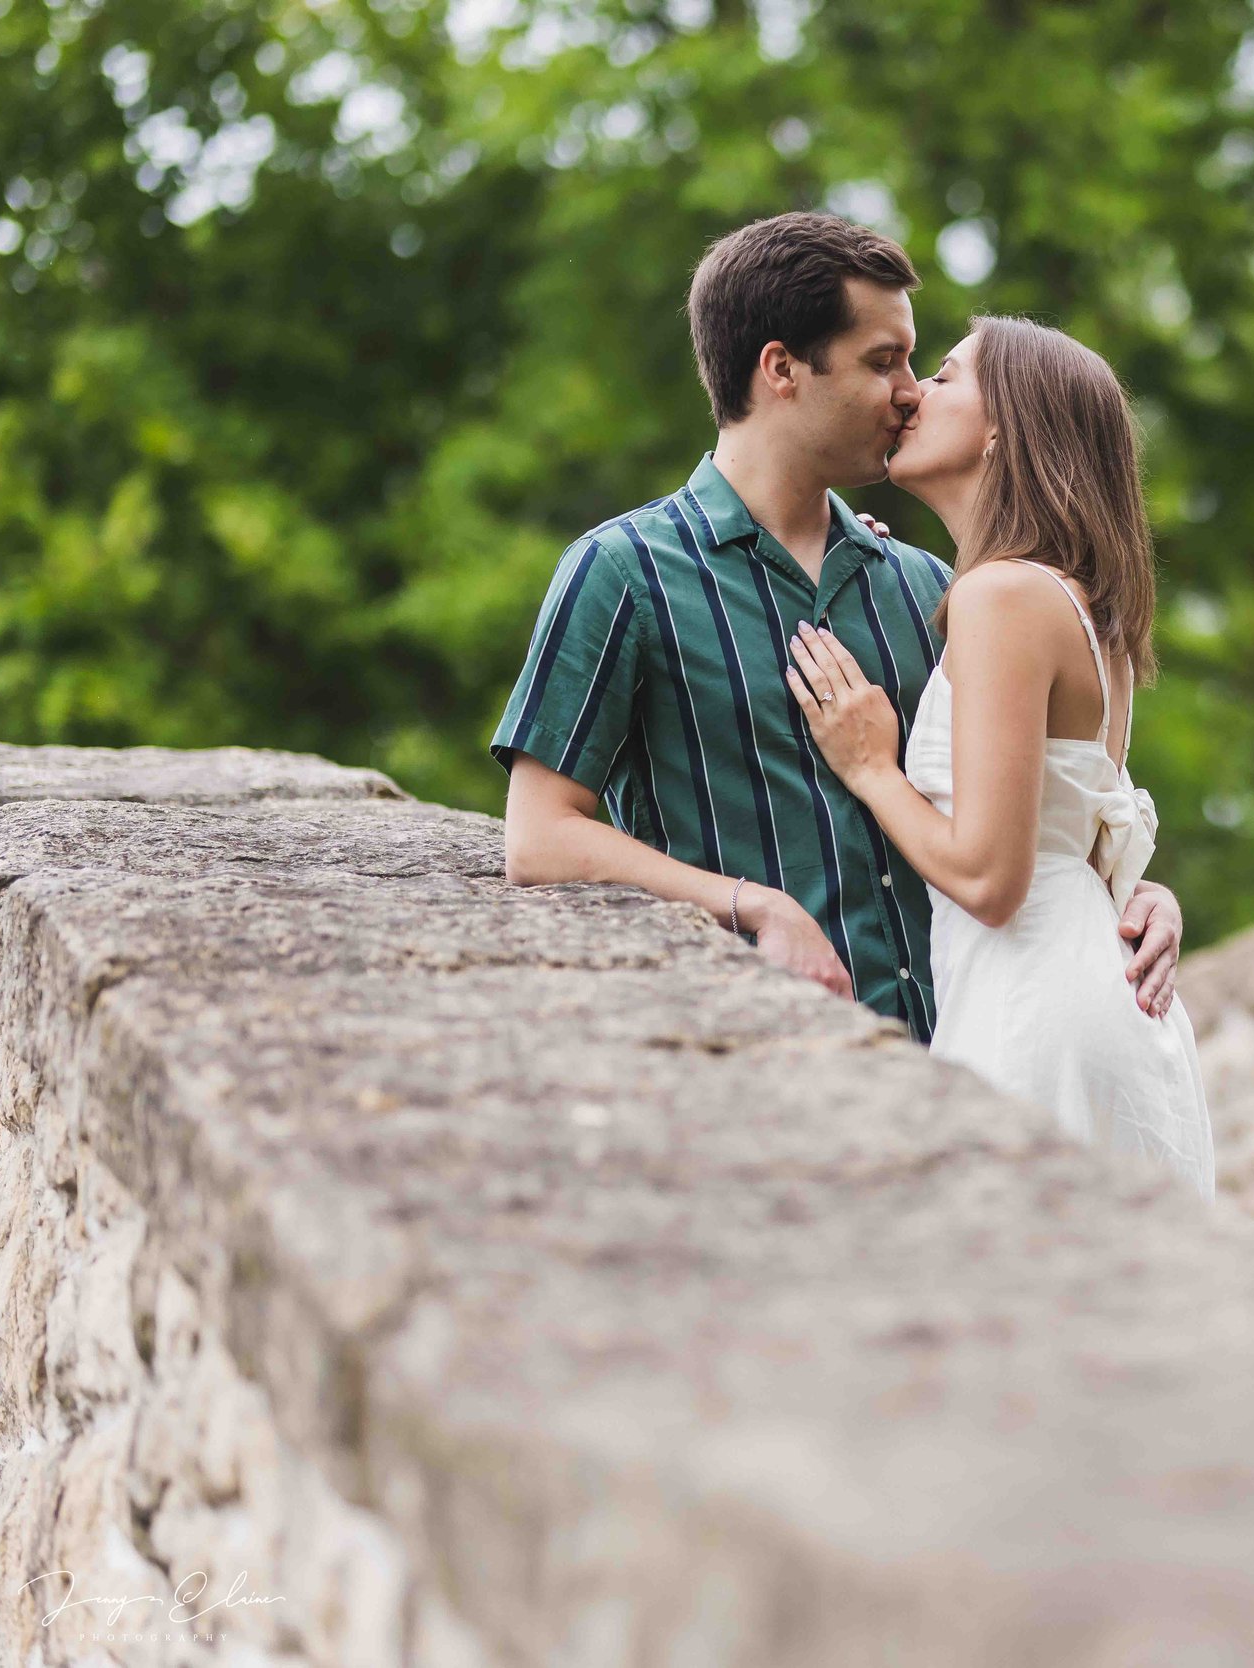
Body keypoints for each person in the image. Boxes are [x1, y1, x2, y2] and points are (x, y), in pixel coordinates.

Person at [491, 213, 1186, 1043]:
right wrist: (754, 907)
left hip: (962, 1052)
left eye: (915, 361)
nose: (909, 391)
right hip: (756, 1055)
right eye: (882, 361)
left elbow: (1031, 808)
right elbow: (539, 839)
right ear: (782, 369)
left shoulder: (930, 585)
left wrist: (1132, 893)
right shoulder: (623, 571)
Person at [786, 318, 1214, 1200]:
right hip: (1089, 986)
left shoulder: (1002, 596)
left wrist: (872, 767)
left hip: (1034, 999)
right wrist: (1139, 891)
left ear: (1001, 428)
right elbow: (1077, 821)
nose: (913, 394)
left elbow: (990, 879)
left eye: (943, 377)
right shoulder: (1070, 603)